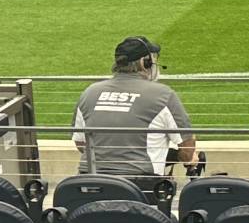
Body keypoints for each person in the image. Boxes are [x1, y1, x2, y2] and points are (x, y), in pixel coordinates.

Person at [72, 36, 198, 192]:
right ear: (145, 63)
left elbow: (80, 143)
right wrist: (180, 157)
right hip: (140, 186)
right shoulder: (163, 95)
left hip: (89, 182)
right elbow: (187, 150)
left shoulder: (89, 92)